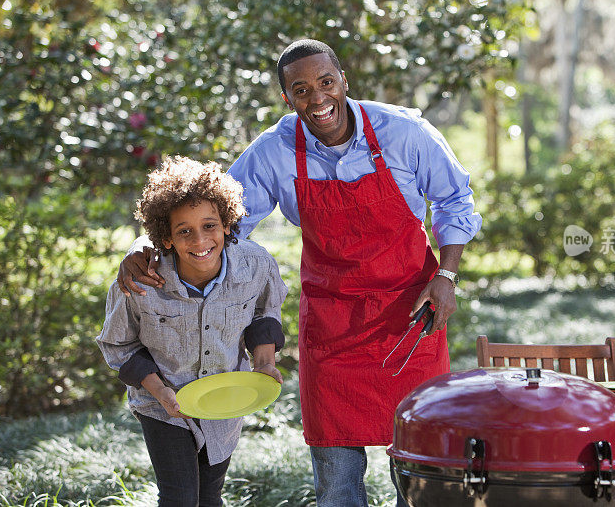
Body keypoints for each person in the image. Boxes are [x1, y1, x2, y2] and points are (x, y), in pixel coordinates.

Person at [116, 39, 482, 506]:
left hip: (410, 316)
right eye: (301, 89)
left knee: (418, 474)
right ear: (287, 97)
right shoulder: (273, 151)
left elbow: (455, 200)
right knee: (336, 483)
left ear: (343, 81)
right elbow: (215, 219)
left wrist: (446, 277)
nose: (317, 98)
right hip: (331, 324)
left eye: (326, 83)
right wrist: (146, 244)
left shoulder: (404, 132)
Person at [98, 156, 288, 507]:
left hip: (225, 396)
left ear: (228, 225)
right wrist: (159, 392)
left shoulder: (256, 265)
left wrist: (263, 363)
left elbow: (264, 312)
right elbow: (119, 345)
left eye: (210, 225)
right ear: (166, 238)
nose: (199, 240)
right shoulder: (141, 283)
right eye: (184, 230)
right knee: (180, 498)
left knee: (209, 496)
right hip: (161, 402)